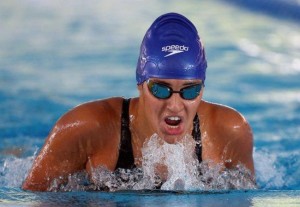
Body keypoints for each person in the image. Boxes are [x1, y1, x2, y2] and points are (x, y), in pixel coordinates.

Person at [22, 12, 255, 191]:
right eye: (161, 90)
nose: (174, 105)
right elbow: (31, 198)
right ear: (140, 84)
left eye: (190, 90)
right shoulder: (86, 127)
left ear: (202, 88)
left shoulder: (230, 132)